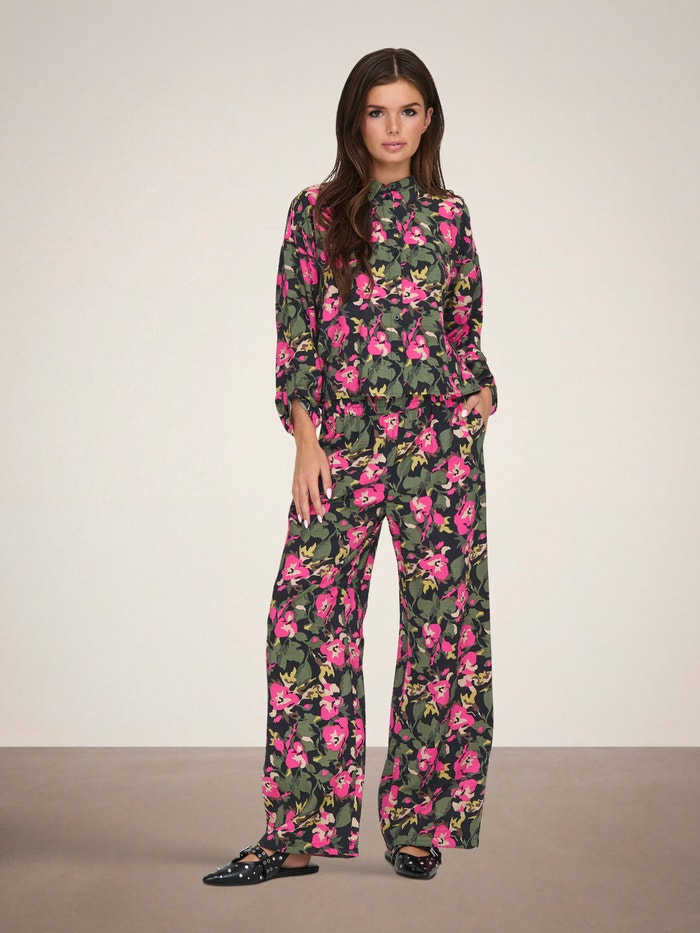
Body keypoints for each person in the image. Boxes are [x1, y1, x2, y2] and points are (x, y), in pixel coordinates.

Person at [203, 46, 496, 886]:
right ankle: (294, 835)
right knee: (304, 621)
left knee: (441, 631)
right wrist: (305, 439)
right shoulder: (316, 211)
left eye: (408, 110)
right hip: (343, 446)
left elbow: (464, 324)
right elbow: (295, 331)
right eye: (377, 111)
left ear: (428, 119)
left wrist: (481, 390)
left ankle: (417, 825)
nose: (393, 127)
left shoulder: (449, 215)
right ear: (354, 120)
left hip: (440, 447)